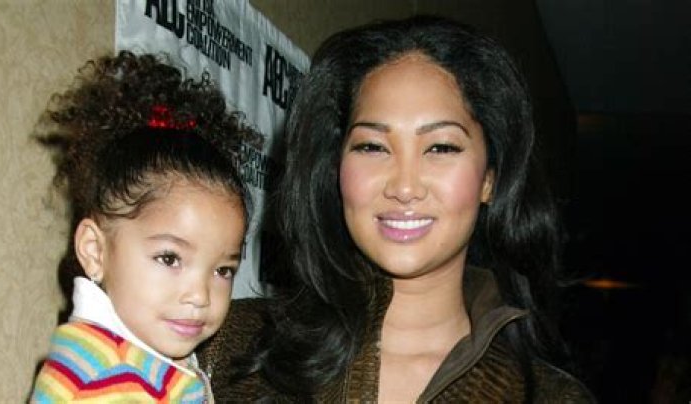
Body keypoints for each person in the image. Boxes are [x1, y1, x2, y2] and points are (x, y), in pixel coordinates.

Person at [198, 15, 594, 402]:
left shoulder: (552, 396)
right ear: (336, 168)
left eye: (441, 147)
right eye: (372, 147)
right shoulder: (220, 346)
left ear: (490, 179)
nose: (404, 188)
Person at [30, 51, 259, 403]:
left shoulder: (142, 362)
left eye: (223, 270)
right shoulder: (103, 378)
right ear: (95, 251)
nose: (200, 296)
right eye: (170, 258)